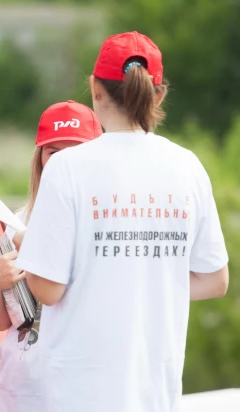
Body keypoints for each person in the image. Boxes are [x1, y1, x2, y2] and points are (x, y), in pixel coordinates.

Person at [12, 31, 228, 412]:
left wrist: (28, 250)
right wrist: (146, 278)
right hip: (156, 391)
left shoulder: (66, 167)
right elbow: (215, 280)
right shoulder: (188, 167)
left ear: (95, 89)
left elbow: (48, 290)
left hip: (74, 393)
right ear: (158, 95)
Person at [0, 101, 102, 412]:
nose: (62, 162)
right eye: (53, 152)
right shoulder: (17, 223)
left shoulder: (106, 225)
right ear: (40, 159)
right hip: (22, 388)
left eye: (74, 152)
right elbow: (1, 321)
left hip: (82, 388)